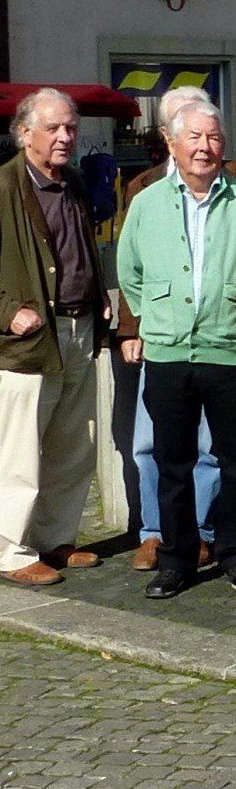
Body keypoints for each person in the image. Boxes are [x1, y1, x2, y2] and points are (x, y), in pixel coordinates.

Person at [117, 101, 236, 598]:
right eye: (194, 138)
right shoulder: (147, 202)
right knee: (172, 461)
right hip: (168, 353)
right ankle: (176, 558)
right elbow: (129, 271)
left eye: (214, 137)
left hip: (231, 348)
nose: (205, 147)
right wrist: (158, 318)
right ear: (173, 145)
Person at [0, 89, 108, 587]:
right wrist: (6, 311)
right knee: (19, 449)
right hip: (27, 339)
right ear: (25, 133)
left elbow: (79, 249)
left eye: (71, 127)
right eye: (54, 128)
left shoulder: (76, 183)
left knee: (73, 440)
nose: (66, 137)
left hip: (79, 327)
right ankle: (11, 549)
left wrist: (98, 296)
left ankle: (56, 536)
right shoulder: (3, 186)